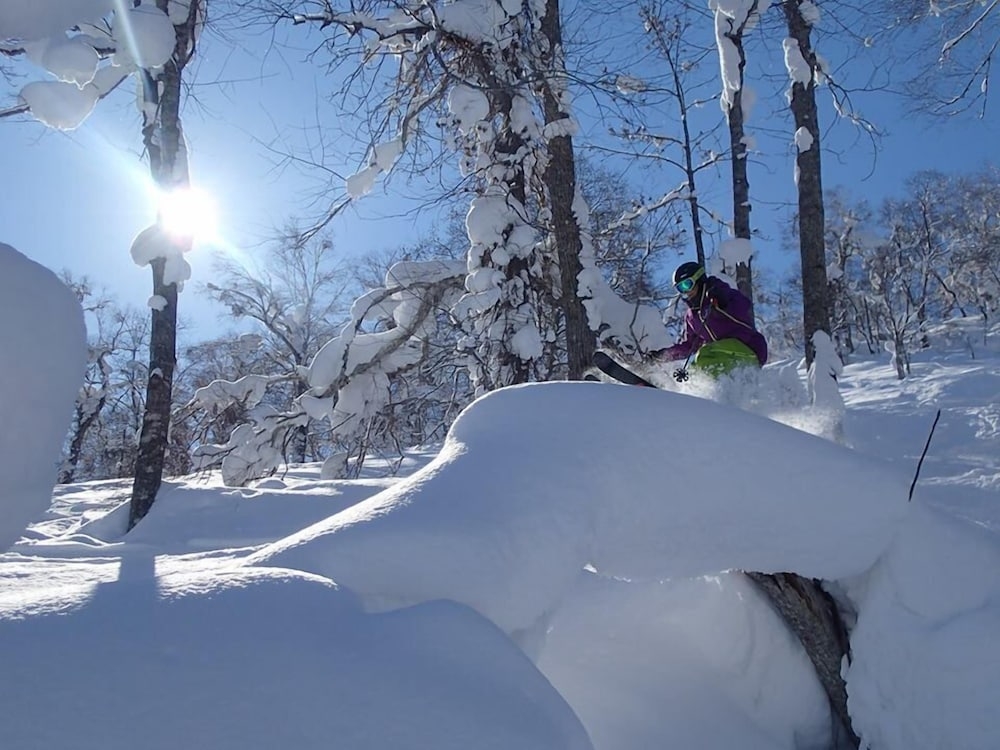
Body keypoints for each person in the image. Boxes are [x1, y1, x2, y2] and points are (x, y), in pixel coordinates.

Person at [654, 261, 767, 380]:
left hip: (749, 348)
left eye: (687, 284)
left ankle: (714, 390)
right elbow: (690, 346)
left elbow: (744, 304)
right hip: (724, 355)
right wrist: (662, 355)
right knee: (693, 371)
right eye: (680, 288)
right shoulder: (692, 316)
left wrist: (724, 302)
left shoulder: (718, 292)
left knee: (705, 355)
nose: (686, 291)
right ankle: (703, 396)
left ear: (699, 279)